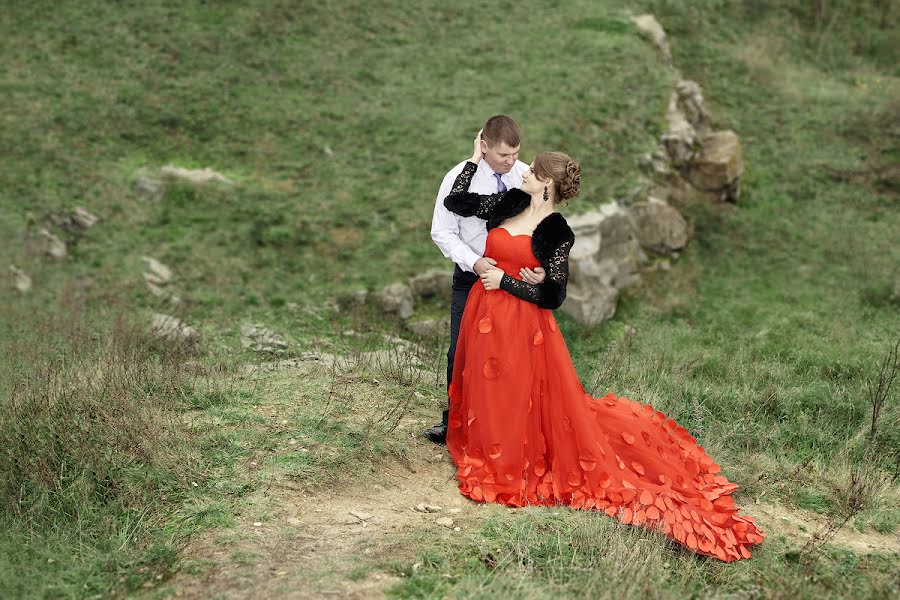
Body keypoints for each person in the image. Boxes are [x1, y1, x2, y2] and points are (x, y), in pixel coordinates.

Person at [440, 132, 765, 562]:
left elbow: (554, 296)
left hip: (522, 325)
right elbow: (455, 205)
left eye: (533, 173)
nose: (524, 173)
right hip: (485, 318)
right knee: (488, 391)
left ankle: (509, 459)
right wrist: (472, 159)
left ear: (548, 187)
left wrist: (509, 281)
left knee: (519, 397)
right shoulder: (511, 203)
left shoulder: (556, 232)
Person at [425, 115, 545, 444]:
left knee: (513, 354)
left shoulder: (525, 177)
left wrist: (541, 266)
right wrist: (474, 262)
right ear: (484, 146)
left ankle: (510, 426)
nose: (511, 162)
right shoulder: (459, 177)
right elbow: (442, 231)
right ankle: (456, 424)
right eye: (503, 155)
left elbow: (542, 226)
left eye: (516, 154)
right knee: (461, 352)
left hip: (514, 280)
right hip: (471, 278)